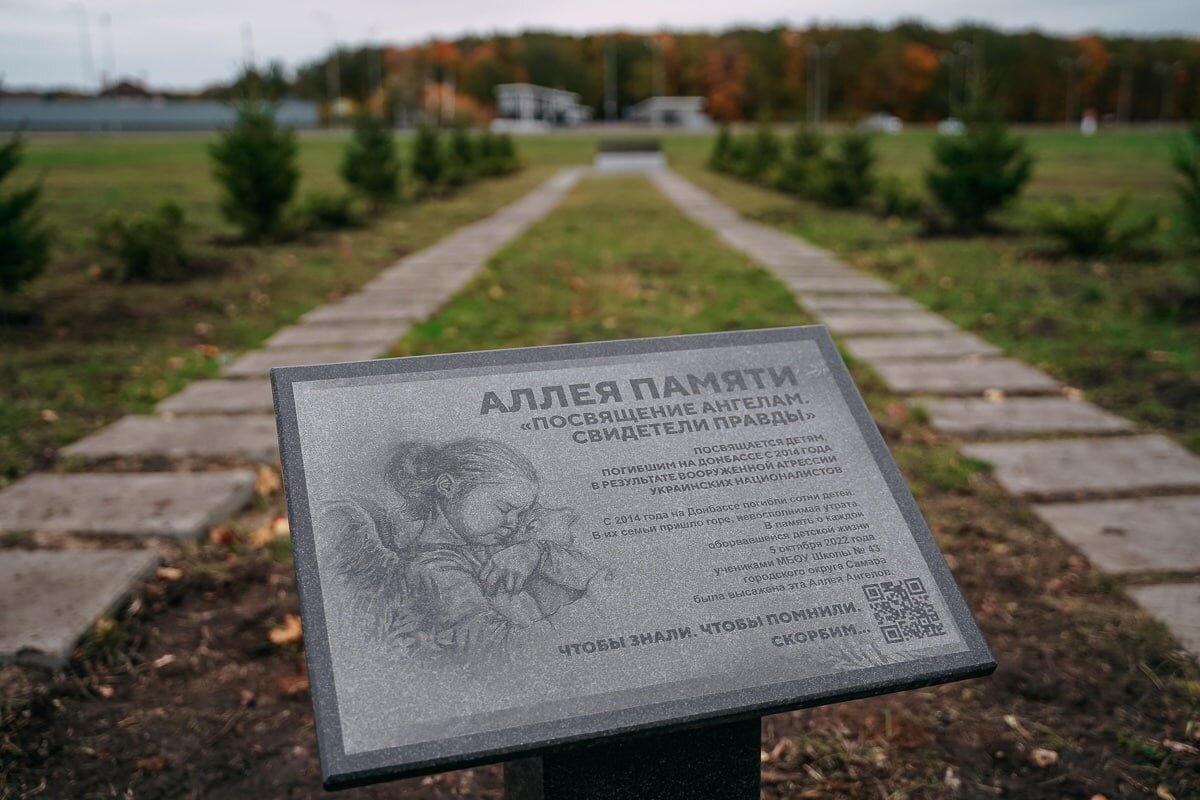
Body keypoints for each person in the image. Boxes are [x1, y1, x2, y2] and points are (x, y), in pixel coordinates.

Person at [326, 438, 602, 664]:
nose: (513, 523)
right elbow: (498, 651)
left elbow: (596, 572)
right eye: (504, 509)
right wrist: (592, 612)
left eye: (521, 514)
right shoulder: (435, 570)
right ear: (448, 487)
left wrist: (536, 551)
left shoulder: (494, 544)